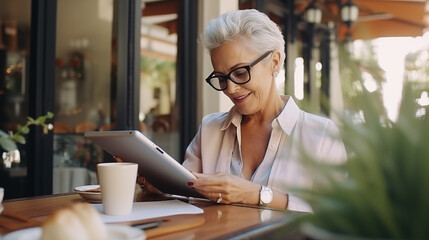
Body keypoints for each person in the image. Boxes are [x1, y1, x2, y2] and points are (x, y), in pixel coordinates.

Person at [182, 9, 346, 212]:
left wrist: (258, 195)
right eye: (222, 79)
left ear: (275, 62)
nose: (231, 89)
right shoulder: (210, 128)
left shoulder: (321, 134)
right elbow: (183, 190)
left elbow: (336, 214)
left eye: (240, 73)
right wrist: (159, 185)